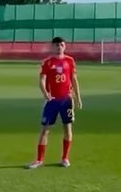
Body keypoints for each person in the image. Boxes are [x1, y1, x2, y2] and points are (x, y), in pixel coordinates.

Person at [26, 36, 82, 168]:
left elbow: (74, 79)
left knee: (67, 128)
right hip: (52, 101)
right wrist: (45, 94)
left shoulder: (70, 60)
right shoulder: (47, 62)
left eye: (62, 45)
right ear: (52, 46)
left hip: (66, 100)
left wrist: (78, 98)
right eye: (57, 45)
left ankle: (65, 158)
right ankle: (39, 160)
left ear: (65, 46)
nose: (59, 47)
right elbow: (42, 80)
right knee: (45, 130)